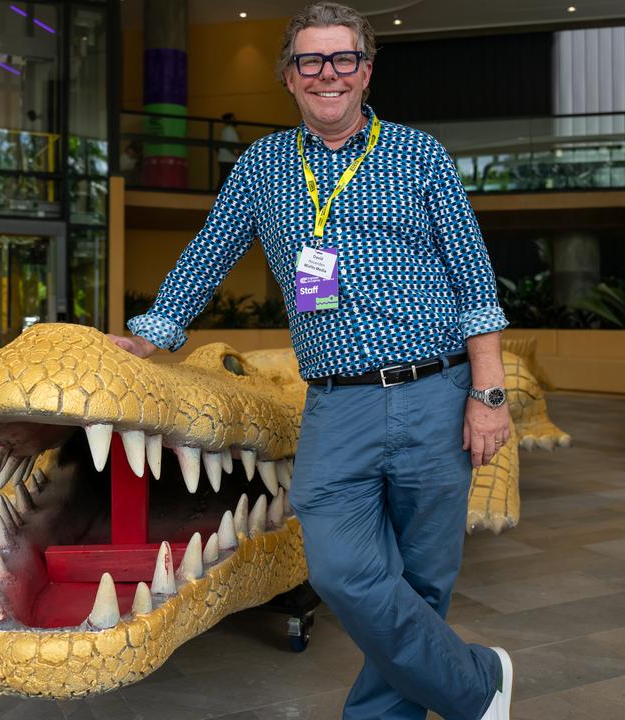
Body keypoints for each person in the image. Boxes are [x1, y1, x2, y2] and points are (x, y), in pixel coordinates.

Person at [109, 4, 513, 718]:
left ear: (365, 70)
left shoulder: (420, 155)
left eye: (342, 59)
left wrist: (488, 394)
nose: (328, 74)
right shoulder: (262, 166)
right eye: (310, 61)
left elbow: (473, 280)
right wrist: (153, 332)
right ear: (289, 78)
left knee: (421, 582)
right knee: (341, 571)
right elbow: (208, 254)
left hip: (435, 392)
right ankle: (476, 682)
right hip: (336, 402)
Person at [217, 112, 241, 190]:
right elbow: (228, 145)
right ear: (230, 119)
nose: (236, 120)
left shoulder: (228, 130)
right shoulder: (229, 130)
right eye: (234, 118)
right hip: (227, 159)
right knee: (226, 178)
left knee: (225, 178)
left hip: (227, 158)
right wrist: (237, 155)